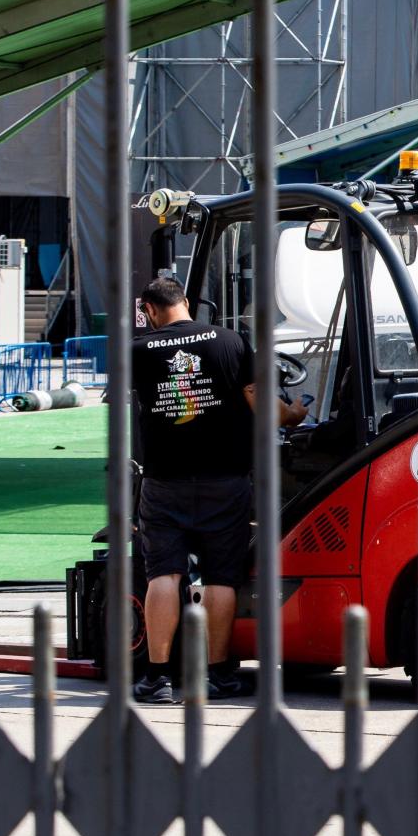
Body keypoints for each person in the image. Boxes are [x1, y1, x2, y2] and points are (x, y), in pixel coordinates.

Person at [129, 276, 307, 703]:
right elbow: (263, 406)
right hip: (224, 480)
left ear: (150, 310)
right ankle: (218, 675)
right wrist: (294, 414)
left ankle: (157, 677)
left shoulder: (137, 351)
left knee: (164, 574)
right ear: (186, 303)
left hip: (165, 480)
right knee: (220, 577)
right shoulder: (229, 342)